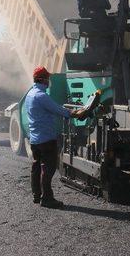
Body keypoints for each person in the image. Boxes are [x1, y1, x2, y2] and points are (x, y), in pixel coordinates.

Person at [26, 66, 86, 209]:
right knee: (48, 169)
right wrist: (74, 113)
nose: (49, 81)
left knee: (36, 167)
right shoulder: (41, 96)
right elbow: (57, 110)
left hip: (34, 139)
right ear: (43, 79)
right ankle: (47, 198)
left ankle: (36, 195)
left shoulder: (30, 94)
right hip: (46, 139)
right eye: (48, 78)